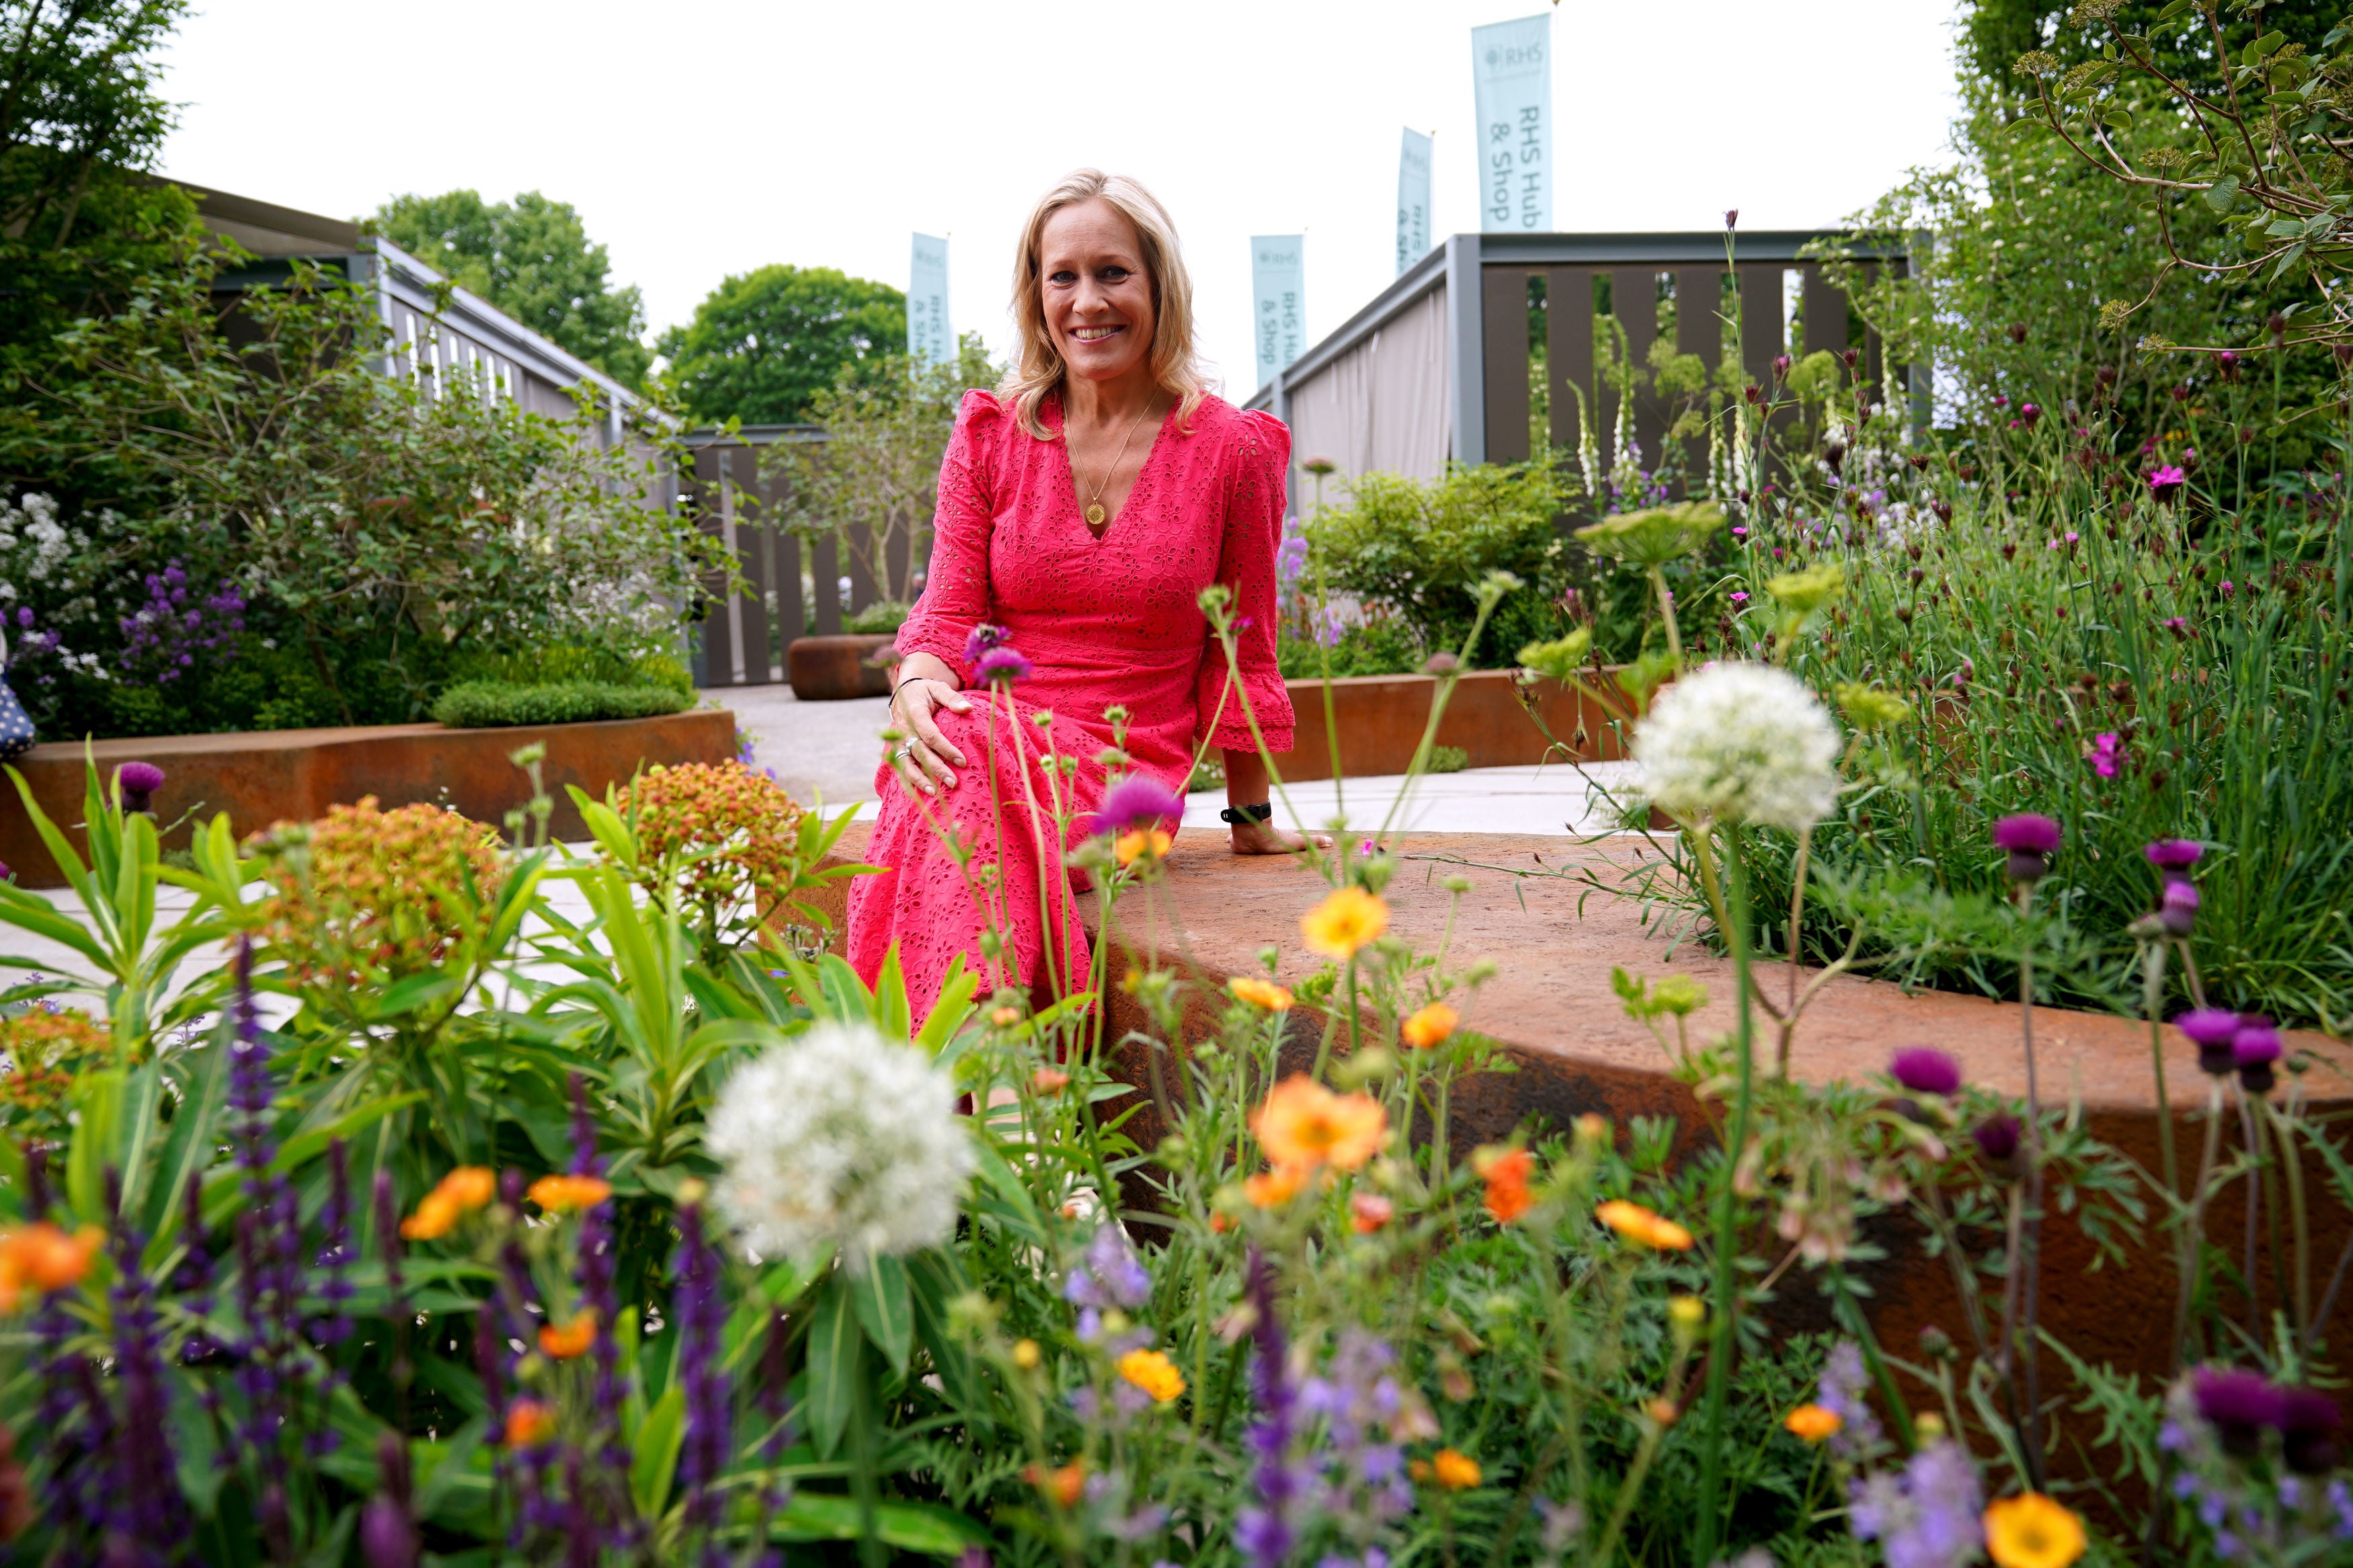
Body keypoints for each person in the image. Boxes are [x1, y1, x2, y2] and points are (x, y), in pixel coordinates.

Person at [846, 169, 1318, 1022]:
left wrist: (1250, 818)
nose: (1085, 301)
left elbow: (1243, 645)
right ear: (1035, 294)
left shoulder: (1231, 448)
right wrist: (914, 679)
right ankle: (984, 1071)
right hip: (983, 738)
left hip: (1118, 771)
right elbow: (948, 610)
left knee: (958, 766)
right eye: (1061, 276)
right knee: (952, 747)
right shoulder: (990, 431)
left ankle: (956, 1068)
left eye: (1112, 273)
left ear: (1157, 287)